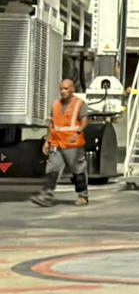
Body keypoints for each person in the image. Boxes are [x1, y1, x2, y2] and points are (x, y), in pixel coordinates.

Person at [30, 79, 89, 207]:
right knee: (53, 169)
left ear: (73, 89)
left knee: (78, 171)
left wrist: (78, 132)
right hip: (57, 144)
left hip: (73, 145)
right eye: (61, 89)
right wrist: (47, 141)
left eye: (66, 88)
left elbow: (84, 121)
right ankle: (46, 196)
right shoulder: (56, 104)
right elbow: (52, 124)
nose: (63, 91)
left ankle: (83, 196)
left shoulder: (79, 103)